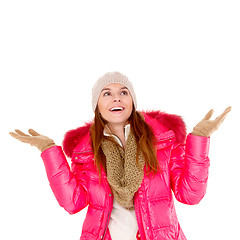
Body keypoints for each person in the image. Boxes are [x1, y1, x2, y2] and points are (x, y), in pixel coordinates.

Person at [9, 72, 231, 240]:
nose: (116, 99)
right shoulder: (85, 151)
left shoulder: (163, 140)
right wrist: (49, 151)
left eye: (123, 92)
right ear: (97, 106)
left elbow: (190, 195)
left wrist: (200, 139)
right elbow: (73, 203)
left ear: (132, 101)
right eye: (107, 94)